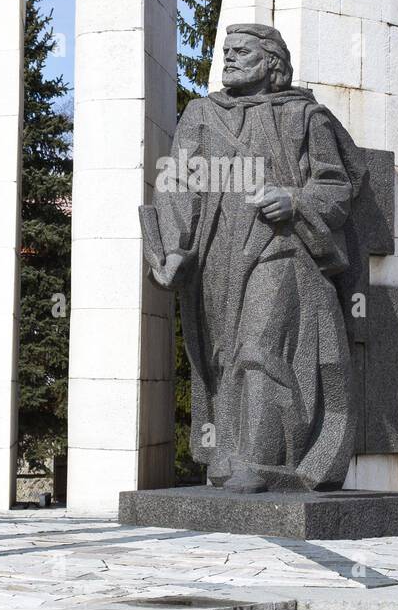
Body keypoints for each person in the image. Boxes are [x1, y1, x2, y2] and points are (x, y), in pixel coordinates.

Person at [143, 24, 366, 493]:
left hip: (279, 249)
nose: (228, 59)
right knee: (224, 358)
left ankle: (263, 461)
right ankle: (229, 452)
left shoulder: (306, 117)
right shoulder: (202, 115)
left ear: (271, 63)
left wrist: (295, 201)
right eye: (225, 51)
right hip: (215, 258)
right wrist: (176, 249)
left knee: (261, 349)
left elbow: (339, 185)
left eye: (240, 52)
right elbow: (180, 185)